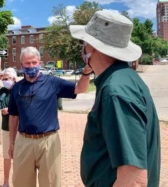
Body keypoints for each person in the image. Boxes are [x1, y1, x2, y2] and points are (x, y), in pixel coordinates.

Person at [69, 10, 161, 186]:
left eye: (84, 42)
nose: (83, 48)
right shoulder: (121, 79)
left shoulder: (115, 91)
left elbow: (134, 177)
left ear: (93, 46)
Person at [8, 46, 90, 187]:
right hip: (24, 141)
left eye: (34, 62)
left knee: (51, 183)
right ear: (21, 65)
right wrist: (12, 143)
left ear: (40, 63)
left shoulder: (53, 82)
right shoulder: (17, 88)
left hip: (48, 141)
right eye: (27, 63)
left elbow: (80, 89)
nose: (31, 66)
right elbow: (13, 117)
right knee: (21, 182)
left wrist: (86, 73)